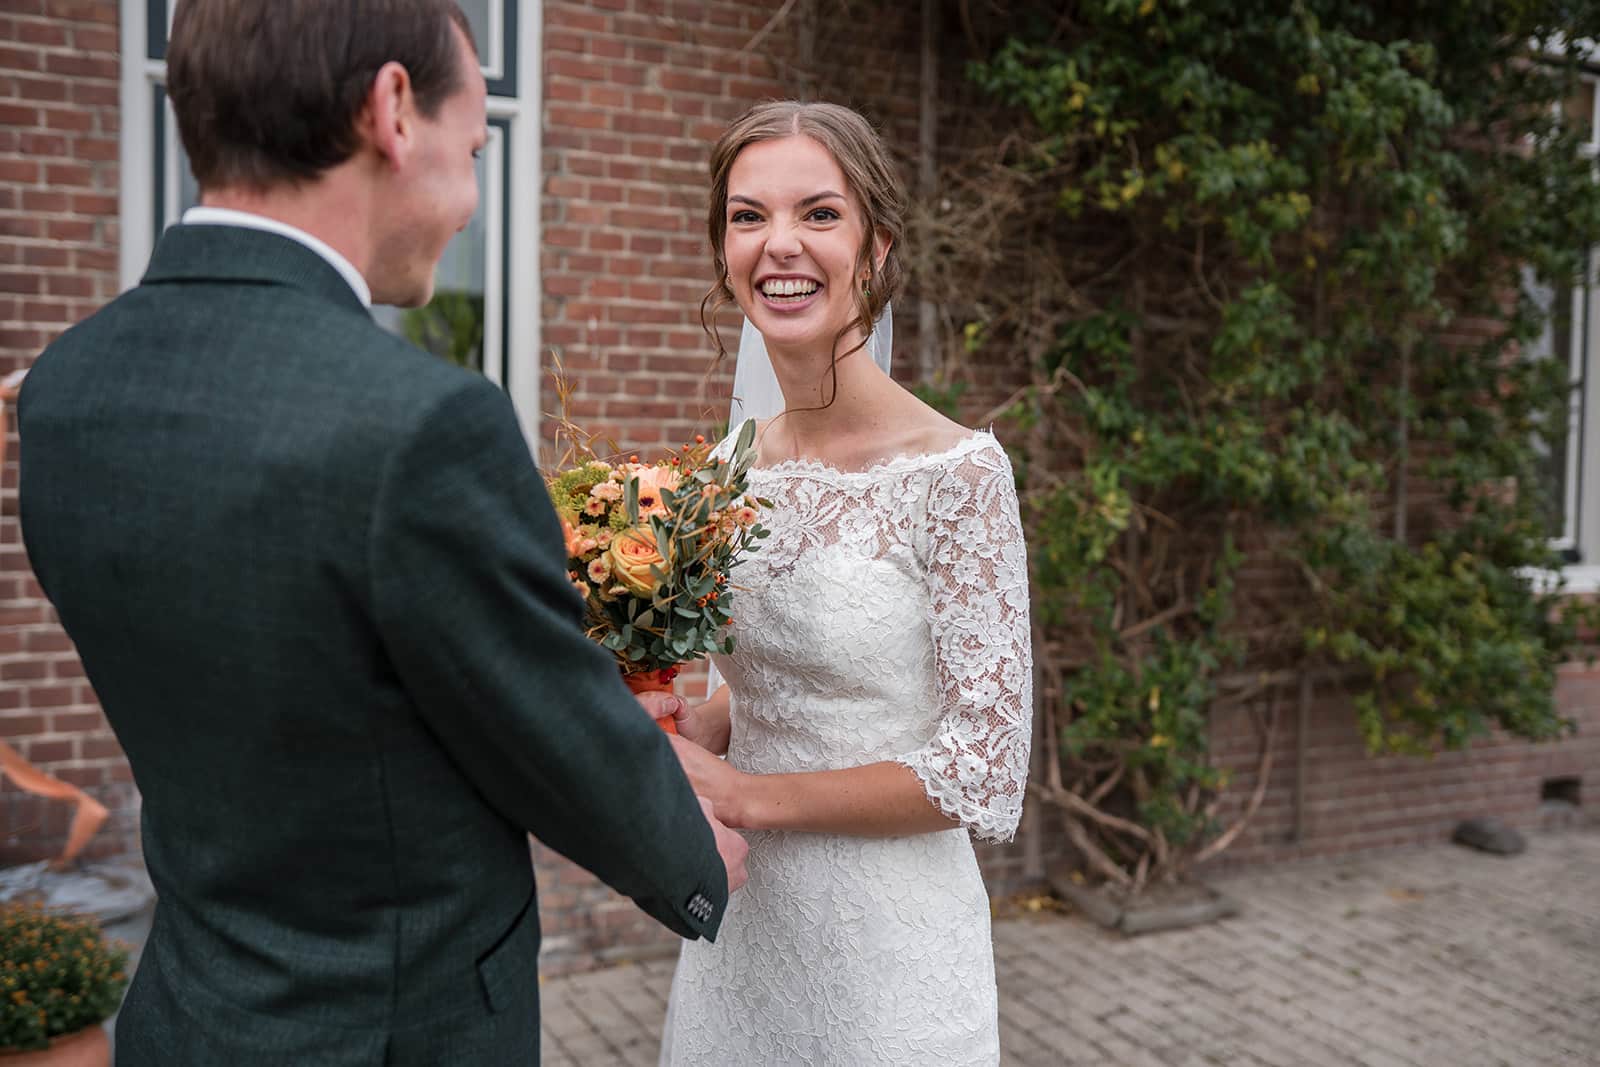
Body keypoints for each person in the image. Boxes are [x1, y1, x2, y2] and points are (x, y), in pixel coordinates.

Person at [16, 2, 745, 1063]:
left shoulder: (63, 388)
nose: (471, 200)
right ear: (394, 110)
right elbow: (543, 725)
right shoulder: (421, 424)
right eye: (475, 148)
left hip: (184, 1013)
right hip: (391, 1031)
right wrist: (693, 850)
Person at [654, 101, 1034, 1064]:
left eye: (819, 213)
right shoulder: (728, 469)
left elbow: (982, 768)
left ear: (877, 248)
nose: (779, 243)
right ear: (724, 251)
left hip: (892, 953)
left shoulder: (957, 475)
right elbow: (778, 669)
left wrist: (747, 794)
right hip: (744, 940)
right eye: (748, 216)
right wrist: (702, 721)